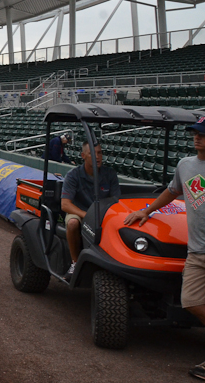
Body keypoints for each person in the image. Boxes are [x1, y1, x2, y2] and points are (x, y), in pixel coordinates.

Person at [125, 116, 205, 379]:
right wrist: (146, 210)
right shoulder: (186, 165)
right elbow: (172, 192)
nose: (197, 137)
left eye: (202, 134)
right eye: (195, 133)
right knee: (191, 301)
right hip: (197, 251)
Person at [61, 141, 120, 279]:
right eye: (93, 153)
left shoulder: (110, 174)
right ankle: (75, 263)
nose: (98, 156)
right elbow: (65, 204)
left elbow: (116, 201)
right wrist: (88, 215)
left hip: (103, 214)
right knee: (72, 223)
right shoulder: (73, 175)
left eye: (99, 153)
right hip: (80, 213)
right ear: (83, 155)